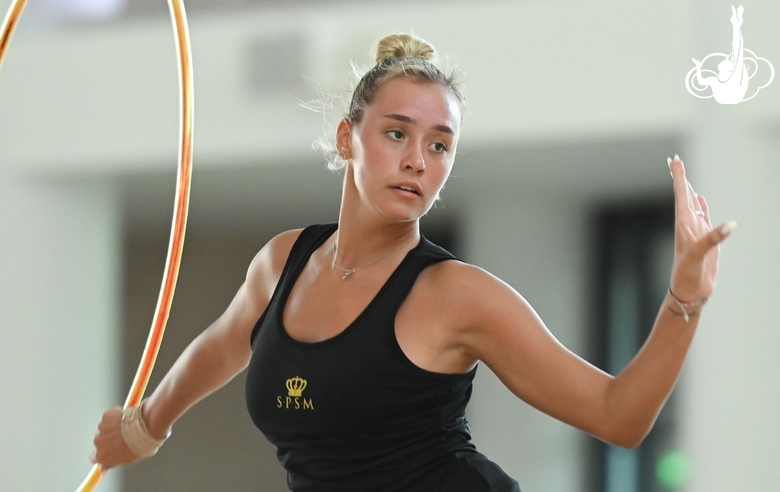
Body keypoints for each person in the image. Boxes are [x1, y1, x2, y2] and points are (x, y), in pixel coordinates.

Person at [91, 33, 734, 491]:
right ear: (349, 137)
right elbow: (224, 345)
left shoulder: (457, 295)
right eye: (396, 133)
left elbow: (619, 416)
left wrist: (686, 302)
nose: (418, 160)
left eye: (440, 144)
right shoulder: (283, 261)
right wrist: (146, 425)